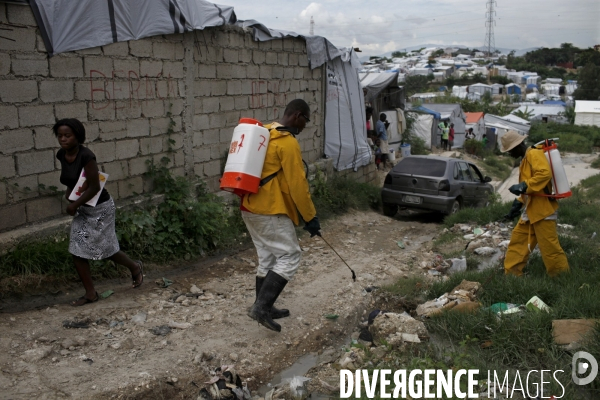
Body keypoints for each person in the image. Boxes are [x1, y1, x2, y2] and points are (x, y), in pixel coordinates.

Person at [242, 99, 321, 332]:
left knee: (268, 257)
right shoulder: (286, 143)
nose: (305, 126)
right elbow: (298, 185)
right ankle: (260, 308)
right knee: (290, 255)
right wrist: (310, 217)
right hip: (269, 209)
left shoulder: (265, 132)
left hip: (249, 207)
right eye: (306, 120)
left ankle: (264, 306)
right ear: (297, 115)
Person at [54, 118, 143, 306]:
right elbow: (71, 181)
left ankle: (134, 267)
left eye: (67, 135)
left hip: (101, 209)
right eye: (60, 135)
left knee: (107, 250)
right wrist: (70, 197)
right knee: (77, 251)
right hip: (82, 207)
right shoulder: (62, 155)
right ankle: (90, 293)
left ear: (77, 136)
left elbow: (94, 187)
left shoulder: (87, 156)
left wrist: (73, 205)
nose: (63, 139)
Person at [500, 130, 569, 277]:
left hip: (543, 210)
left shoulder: (533, 154)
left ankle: (561, 278)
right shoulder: (525, 159)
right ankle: (511, 275)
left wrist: (523, 186)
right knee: (518, 242)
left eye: (509, 151)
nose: (509, 154)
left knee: (550, 249)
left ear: (516, 146)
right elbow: (530, 188)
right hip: (531, 210)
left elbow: (544, 174)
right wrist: (517, 204)